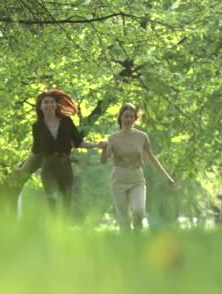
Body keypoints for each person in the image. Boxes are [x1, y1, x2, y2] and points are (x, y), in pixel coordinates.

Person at [15, 89, 106, 217]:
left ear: (56, 105)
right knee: (52, 199)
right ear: (40, 107)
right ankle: (54, 230)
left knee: (66, 201)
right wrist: (23, 168)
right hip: (48, 167)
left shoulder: (66, 121)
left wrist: (97, 145)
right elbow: (35, 151)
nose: (49, 105)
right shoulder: (37, 126)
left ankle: (64, 231)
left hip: (65, 166)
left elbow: (78, 142)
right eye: (45, 103)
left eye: (52, 102)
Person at [100, 103, 176, 231]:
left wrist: (167, 177)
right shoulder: (113, 138)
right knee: (124, 220)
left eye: (131, 116)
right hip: (119, 180)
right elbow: (103, 161)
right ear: (120, 118)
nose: (128, 119)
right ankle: (128, 246)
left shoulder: (142, 136)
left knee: (139, 212)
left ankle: (138, 237)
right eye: (126, 116)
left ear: (135, 118)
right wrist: (103, 148)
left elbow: (152, 158)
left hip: (137, 179)